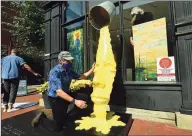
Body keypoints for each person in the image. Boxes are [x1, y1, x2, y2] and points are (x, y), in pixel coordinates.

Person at [32, 51, 95, 132]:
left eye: (70, 60)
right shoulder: (55, 72)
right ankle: (41, 120)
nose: (70, 62)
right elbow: (59, 92)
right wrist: (75, 101)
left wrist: (92, 69)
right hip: (56, 98)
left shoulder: (68, 70)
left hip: (66, 94)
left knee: (84, 97)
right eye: (67, 60)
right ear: (61, 61)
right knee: (58, 128)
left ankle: (67, 117)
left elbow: (82, 76)